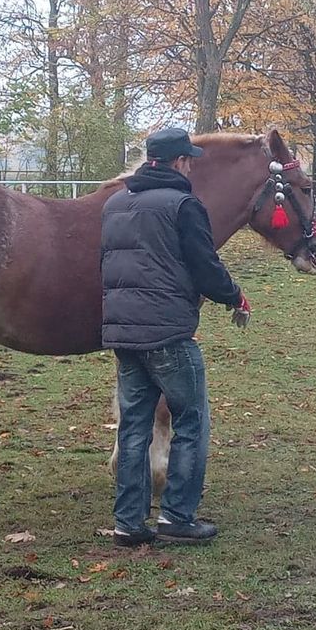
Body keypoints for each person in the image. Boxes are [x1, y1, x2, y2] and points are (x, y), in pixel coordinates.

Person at [100, 127, 251, 546]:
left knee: (133, 426)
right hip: (167, 332)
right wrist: (234, 296)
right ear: (181, 162)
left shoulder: (114, 204)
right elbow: (205, 264)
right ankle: (177, 515)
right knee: (191, 419)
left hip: (123, 333)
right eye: (189, 160)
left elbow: (108, 265)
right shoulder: (184, 205)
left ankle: (129, 522)